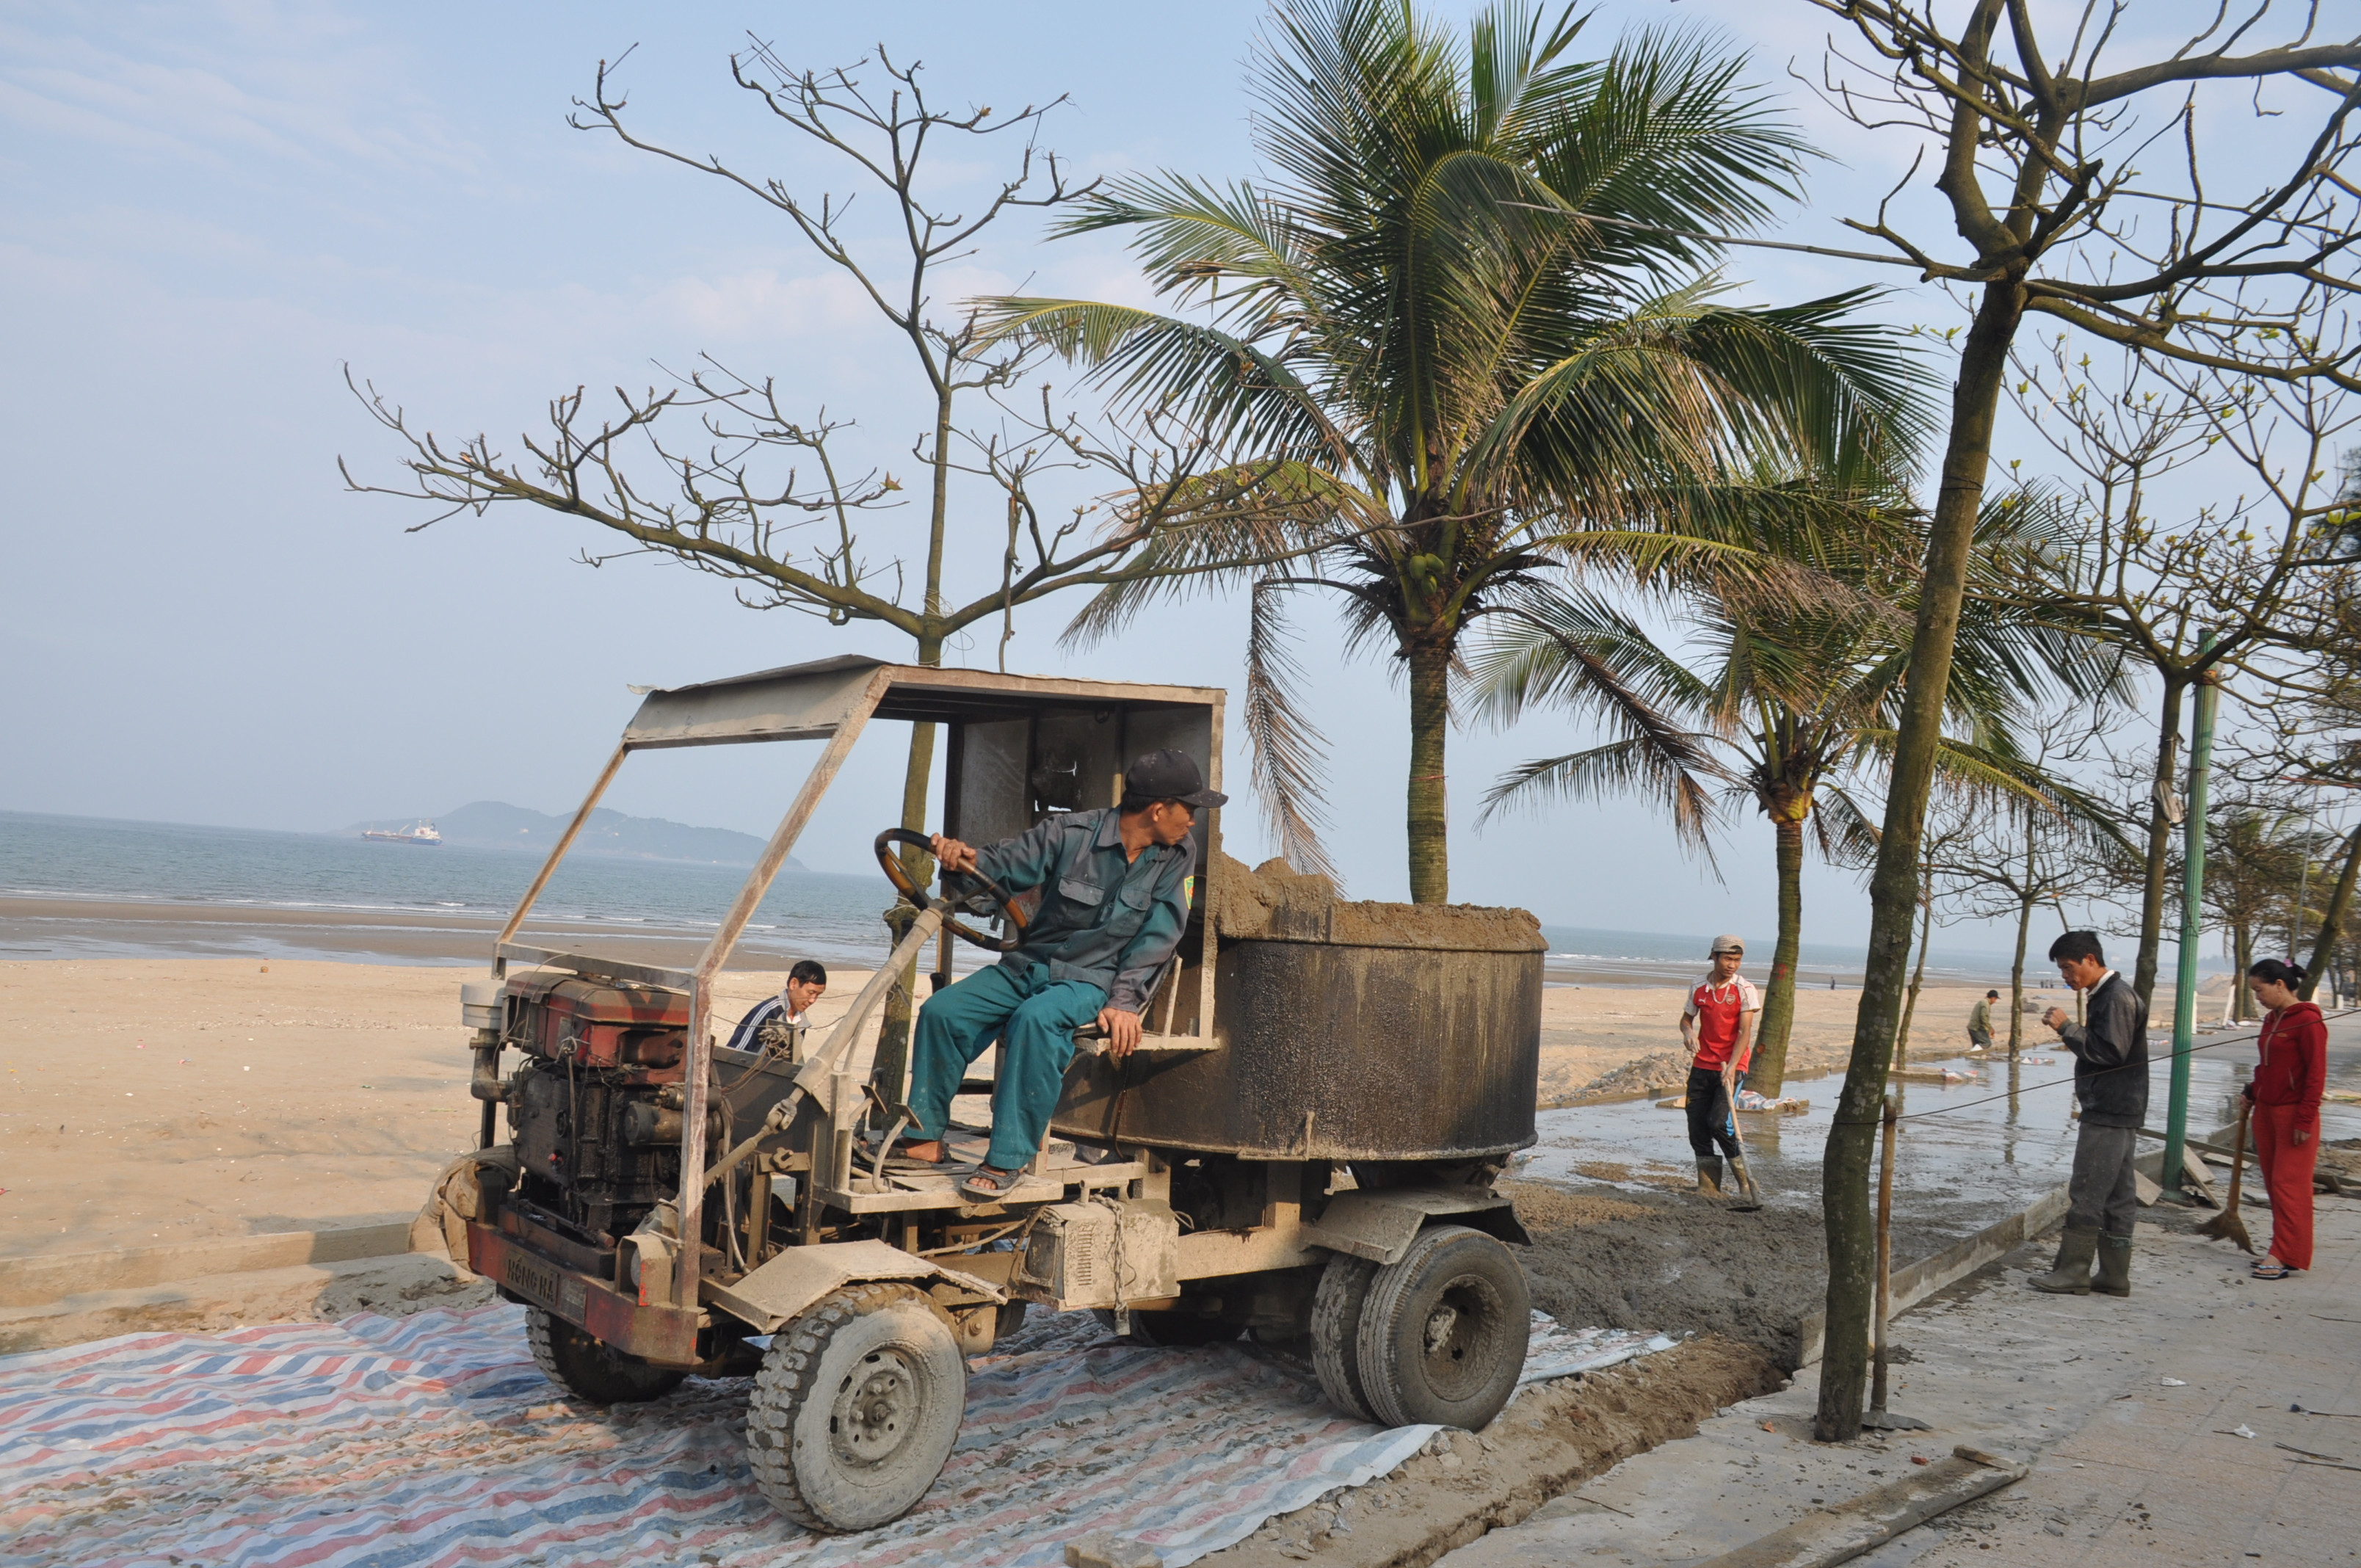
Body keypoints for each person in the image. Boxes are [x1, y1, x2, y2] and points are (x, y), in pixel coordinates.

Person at [899, 749, 1224, 1201]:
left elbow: (1159, 936)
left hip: (1089, 980)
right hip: (1026, 965)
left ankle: (1007, 1158)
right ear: (1158, 809)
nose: (1192, 821)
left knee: (1036, 1019)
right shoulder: (1070, 833)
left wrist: (1124, 1002)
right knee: (942, 1011)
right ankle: (922, 1139)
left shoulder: (1176, 856)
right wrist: (959, 859)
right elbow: (1001, 866)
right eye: (1189, 809)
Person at [2030, 931, 2150, 1297]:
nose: (2066, 976)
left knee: (2088, 1190)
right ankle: (2114, 1275)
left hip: (2109, 1110)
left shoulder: (2115, 997)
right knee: (2118, 1195)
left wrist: (2067, 1027)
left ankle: (2073, 1270)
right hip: (2121, 1108)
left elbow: (2110, 1053)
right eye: (2062, 970)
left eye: (2068, 968)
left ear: (2091, 961)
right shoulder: (2109, 995)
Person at [2243, 958, 2326, 1280]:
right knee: (2273, 1184)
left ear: (2280, 985)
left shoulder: (2308, 1021)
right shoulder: (2270, 1020)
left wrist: (2305, 1120)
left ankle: (2283, 1253)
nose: (2257, 997)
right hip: (2265, 1111)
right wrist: (2251, 1091)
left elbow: (2316, 1075)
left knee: (2288, 1185)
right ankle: (2284, 1249)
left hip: (2294, 1114)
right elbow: (2267, 1065)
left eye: (2259, 990)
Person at [1680, 934, 1762, 1206]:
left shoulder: (1745, 989)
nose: (1732, 965)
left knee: (1718, 1122)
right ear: (1713, 956)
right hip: (1702, 1064)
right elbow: (1686, 1019)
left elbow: (1745, 1031)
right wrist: (1689, 1033)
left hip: (1732, 1066)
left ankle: (1745, 1181)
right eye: (1727, 959)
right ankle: (1709, 1186)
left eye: (1737, 960)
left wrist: (1734, 1068)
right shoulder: (1698, 986)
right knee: (1697, 1126)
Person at [725, 959, 827, 1055]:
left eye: (817, 995)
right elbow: (735, 1052)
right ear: (793, 984)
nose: (812, 1000)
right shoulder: (768, 1012)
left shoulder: (801, 1022)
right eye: (810, 993)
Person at [1967, 990, 1998, 1054]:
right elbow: (1983, 1017)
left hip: (1972, 1027)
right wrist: (1990, 1029)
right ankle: (1970, 1054)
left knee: (1977, 1046)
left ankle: (1974, 1059)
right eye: (1995, 999)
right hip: (1976, 1028)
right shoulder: (1985, 1003)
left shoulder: (1983, 1002)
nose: (1995, 1001)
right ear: (1993, 998)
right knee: (1987, 1043)